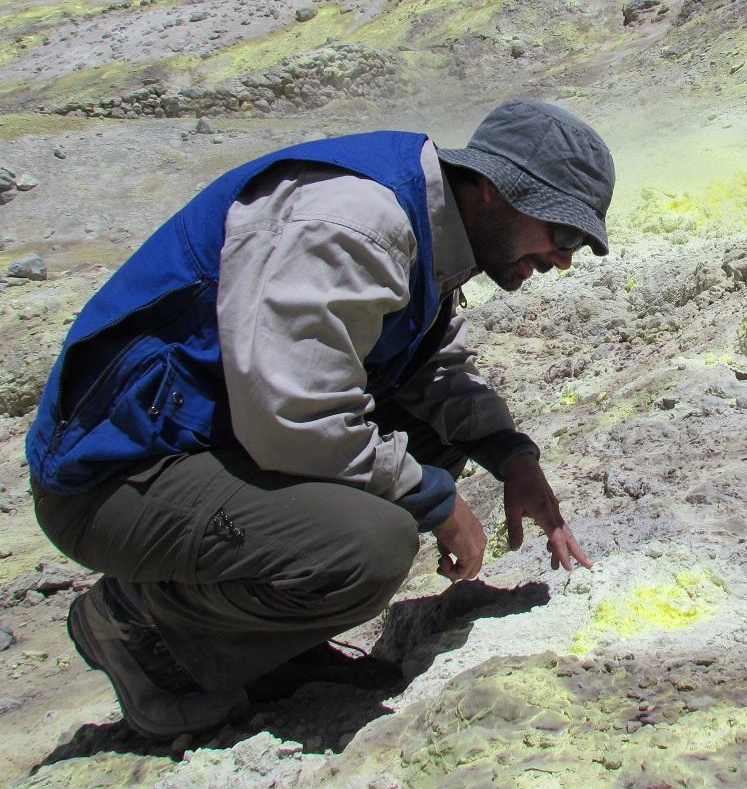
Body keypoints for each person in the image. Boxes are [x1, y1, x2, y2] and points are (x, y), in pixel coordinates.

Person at [25, 98, 614, 739]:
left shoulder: (435, 224)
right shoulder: (354, 223)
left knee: (432, 442)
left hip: (211, 442)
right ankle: (140, 625)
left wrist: (511, 456)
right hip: (114, 477)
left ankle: (274, 646)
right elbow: (295, 416)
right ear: (497, 191)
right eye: (562, 235)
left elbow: (428, 364)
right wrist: (438, 502)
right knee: (369, 543)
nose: (564, 260)